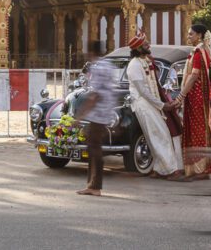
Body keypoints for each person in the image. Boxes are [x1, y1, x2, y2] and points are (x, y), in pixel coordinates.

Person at [126, 31, 180, 180]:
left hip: (152, 103)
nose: (149, 45)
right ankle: (171, 170)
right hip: (143, 104)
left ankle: (159, 169)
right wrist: (162, 105)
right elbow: (143, 91)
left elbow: (154, 86)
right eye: (145, 44)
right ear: (138, 49)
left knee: (157, 135)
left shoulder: (147, 61)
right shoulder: (134, 65)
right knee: (159, 135)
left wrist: (160, 103)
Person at [173, 24, 211, 181]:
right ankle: (198, 169)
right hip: (195, 97)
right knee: (197, 131)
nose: (189, 37)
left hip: (196, 98)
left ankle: (199, 170)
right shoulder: (199, 51)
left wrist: (180, 96)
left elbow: (193, 77)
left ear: (199, 35)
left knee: (197, 132)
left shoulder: (199, 53)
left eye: (191, 34)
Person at [75, 41, 116, 196]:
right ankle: (93, 184)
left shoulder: (97, 67)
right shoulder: (109, 65)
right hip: (106, 110)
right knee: (94, 147)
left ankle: (95, 185)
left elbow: (94, 94)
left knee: (94, 148)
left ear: (91, 52)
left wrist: (81, 115)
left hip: (98, 112)